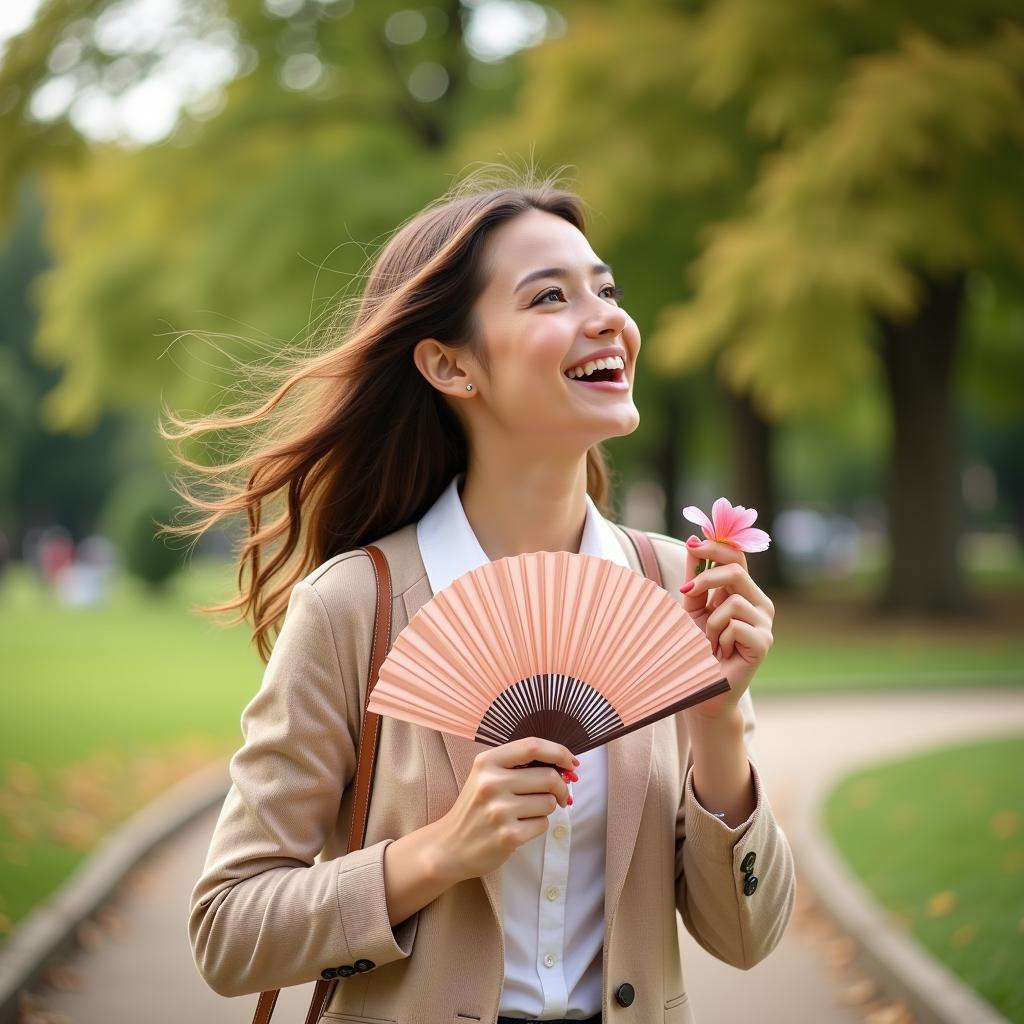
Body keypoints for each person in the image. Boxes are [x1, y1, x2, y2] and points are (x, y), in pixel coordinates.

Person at [168, 169, 795, 1024]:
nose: (606, 316)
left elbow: (747, 938)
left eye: (605, 289)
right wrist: (434, 854)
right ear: (450, 366)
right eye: (549, 298)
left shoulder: (674, 590)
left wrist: (719, 722)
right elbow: (228, 932)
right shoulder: (356, 607)